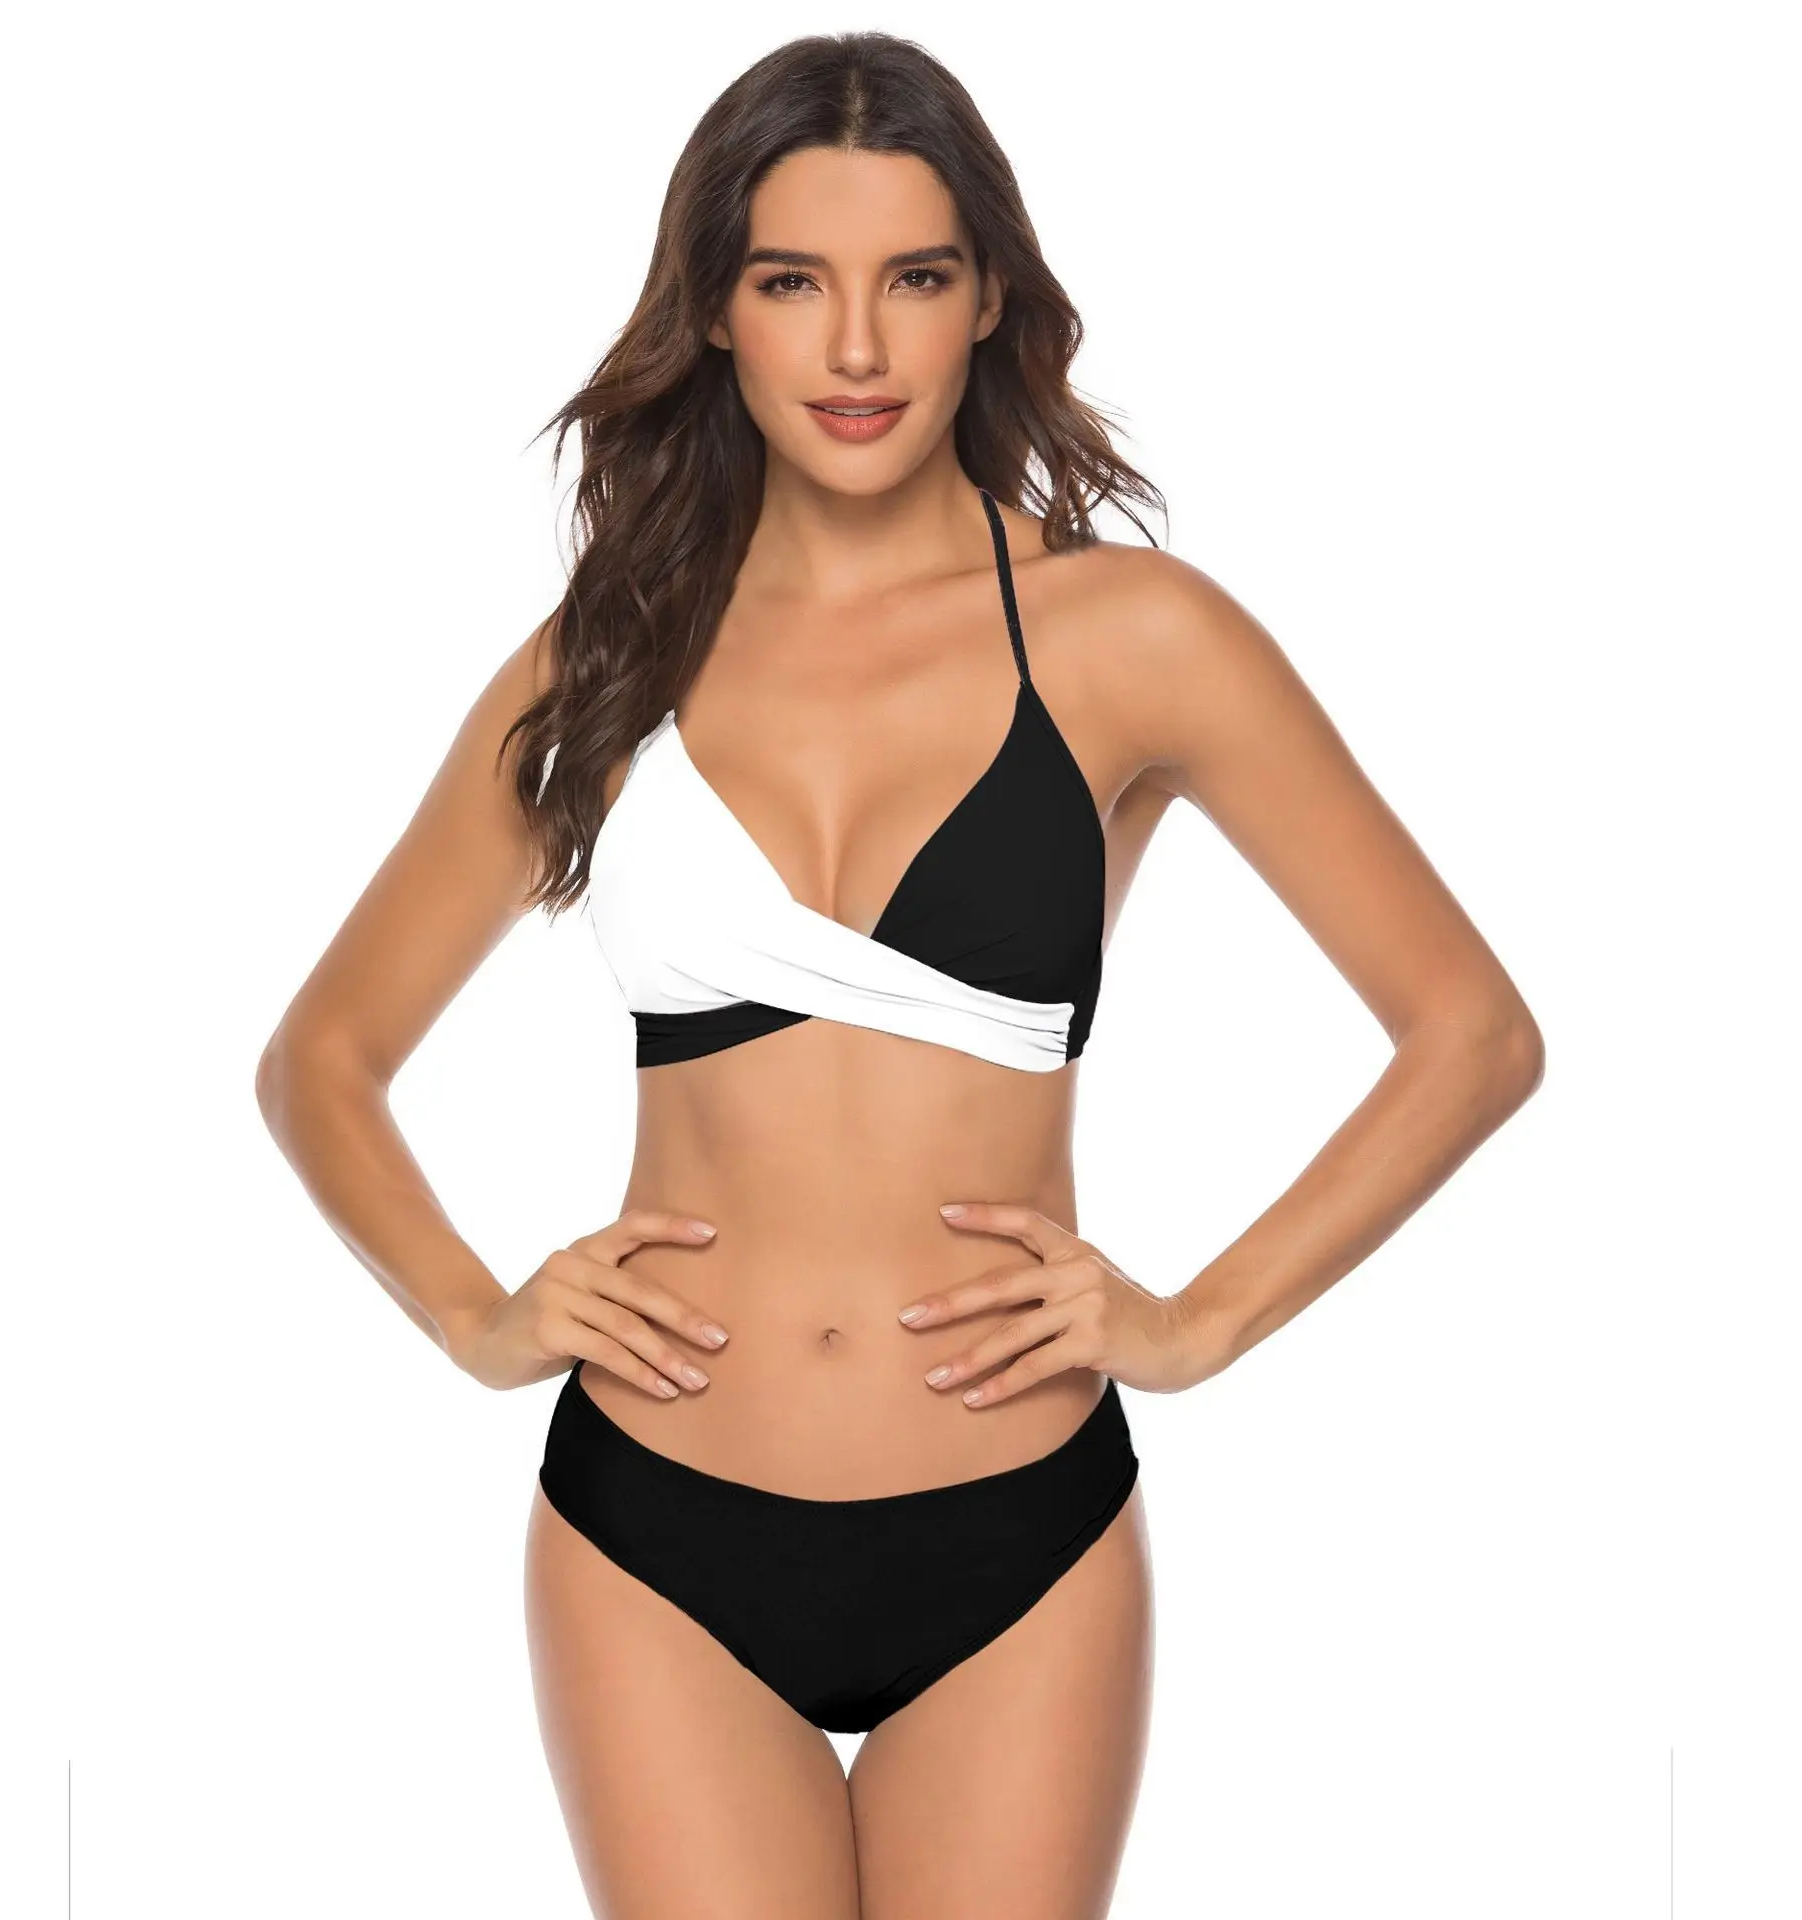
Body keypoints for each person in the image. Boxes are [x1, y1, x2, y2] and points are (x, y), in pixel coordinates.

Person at [255, 30, 1544, 1920]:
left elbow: (1472, 1034)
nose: (857, 349)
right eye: (794, 281)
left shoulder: (1134, 635)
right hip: (654, 1533)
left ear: (988, 298)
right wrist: (472, 1315)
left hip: (1020, 1542)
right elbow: (324, 1055)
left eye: (914, 278)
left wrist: (1197, 1325)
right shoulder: (606, 658)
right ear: (716, 308)